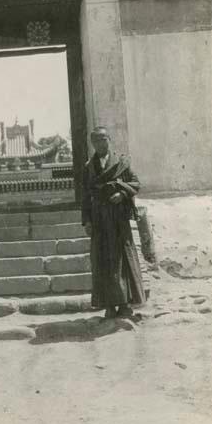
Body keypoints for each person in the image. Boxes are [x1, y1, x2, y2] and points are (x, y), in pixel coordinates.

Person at [81, 126, 146, 319]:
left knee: (122, 260)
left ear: (109, 140)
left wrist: (122, 193)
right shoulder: (89, 167)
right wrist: (87, 221)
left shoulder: (122, 162)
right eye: (97, 140)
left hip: (118, 218)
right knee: (103, 261)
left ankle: (125, 304)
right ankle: (109, 306)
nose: (101, 143)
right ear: (92, 144)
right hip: (99, 218)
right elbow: (85, 196)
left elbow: (136, 183)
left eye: (104, 138)